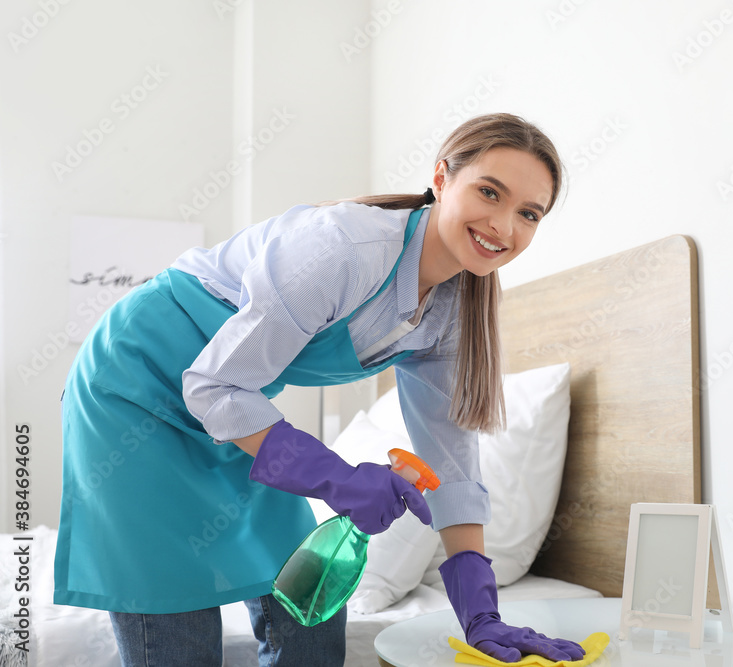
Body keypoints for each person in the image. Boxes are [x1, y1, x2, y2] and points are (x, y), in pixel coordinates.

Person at [53, 112, 585, 666]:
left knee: (312, 611)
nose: (504, 225)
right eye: (489, 192)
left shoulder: (454, 311)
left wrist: (481, 613)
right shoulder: (342, 249)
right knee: (174, 612)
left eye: (529, 213)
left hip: (235, 410)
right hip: (136, 390)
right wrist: (338, 479)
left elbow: (450, 462)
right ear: (442, 178)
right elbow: (214, 385)